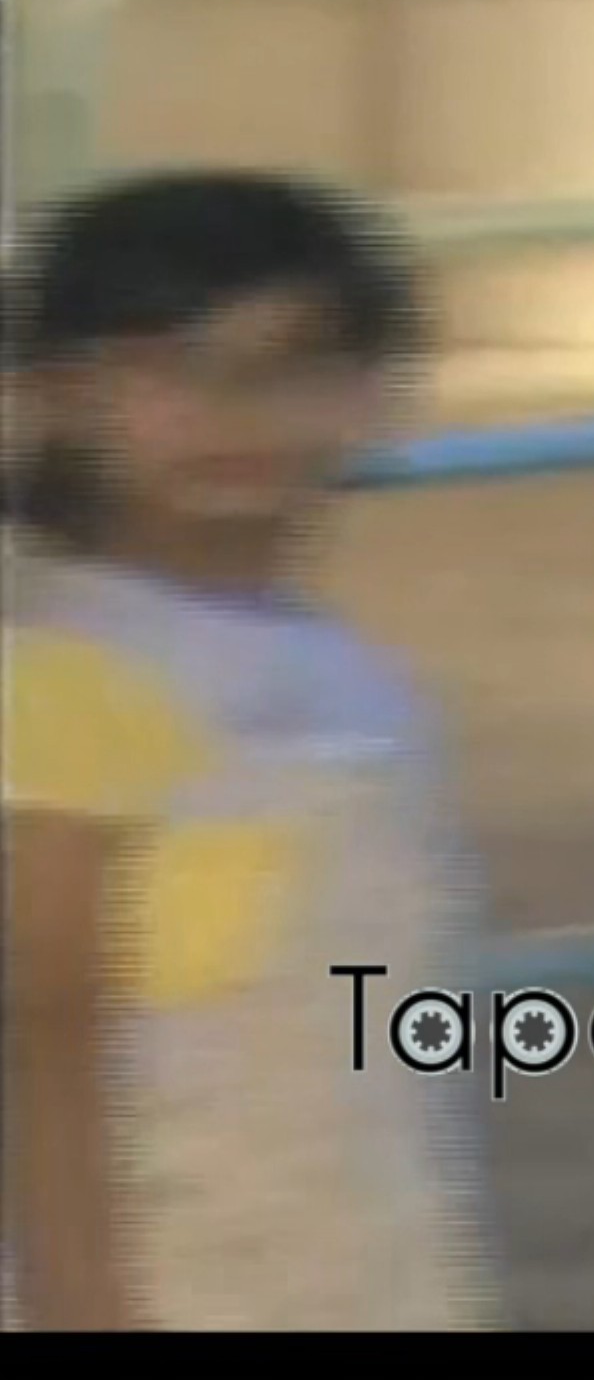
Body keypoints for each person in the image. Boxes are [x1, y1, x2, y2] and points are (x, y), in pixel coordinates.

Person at [0, 171, 499, 1331]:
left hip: (357, 1253)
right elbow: (45, 1040)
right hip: (175, 1273)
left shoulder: (347, 671)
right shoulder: (64, 676)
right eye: (165, 370)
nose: (233, 413)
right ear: (56, 397)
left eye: (292, 367)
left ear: (373, 394)